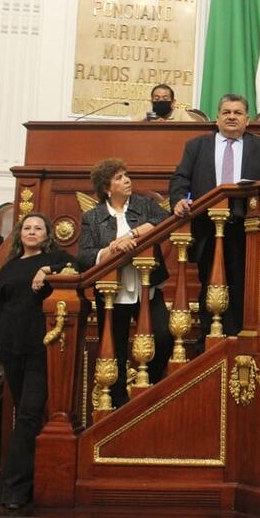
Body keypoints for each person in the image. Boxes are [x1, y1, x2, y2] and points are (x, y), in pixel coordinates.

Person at [170, 94, 260, 339]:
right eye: (227, 112)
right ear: (217, 118)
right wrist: (179, 199)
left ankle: (238, 340)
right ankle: (208, 342)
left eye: (238, 113)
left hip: (247, 229)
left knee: (243, 287)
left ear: (248, 120)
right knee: (209, 286)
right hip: (207, 228)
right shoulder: (196, 146)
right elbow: (180, 179)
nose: (232, 117)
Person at [0, 212, 73, 509]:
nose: (32, 231)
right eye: (27, 227)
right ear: (20, 234)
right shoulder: (8, 267)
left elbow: (79, 266)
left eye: (38, 227)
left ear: (47, 234)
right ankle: (28, 481)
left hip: (39, 348)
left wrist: (47, 270)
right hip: (11, 349)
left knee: (28, 414)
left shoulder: (56, 258)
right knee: (25, 416)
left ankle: (14, 489)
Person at [78, 159, 174, 407]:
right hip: (112, 292)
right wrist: (112, 248)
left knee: (164, 336)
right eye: (119, 178)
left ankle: (150, 384)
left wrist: (132, 234)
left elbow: (165, 220)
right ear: (107, 188)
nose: (127, 180)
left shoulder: (144, 204)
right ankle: (121, 406)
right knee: (115, 351)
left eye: (126, 175)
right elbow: (86, 255)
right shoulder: (93, 216)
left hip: (147, 286)